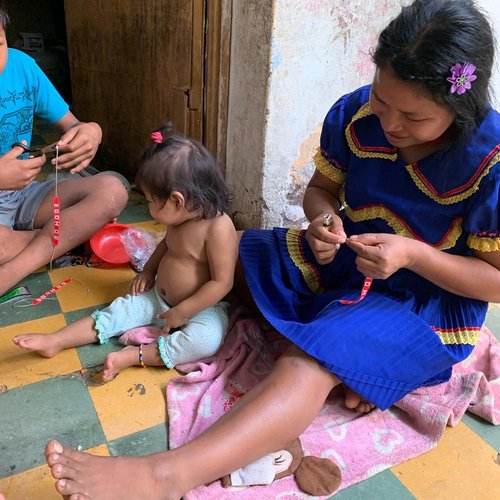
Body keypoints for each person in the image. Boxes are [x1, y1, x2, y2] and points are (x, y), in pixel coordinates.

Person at [42, 1, 500, 498]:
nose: (390, 123)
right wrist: (324, 221)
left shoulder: (490, 162)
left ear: (460, 108)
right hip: (343, 261)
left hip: (420, 302)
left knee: (310, 358)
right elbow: (320, 192)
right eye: (383, 101)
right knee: (231, 251)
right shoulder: (357, 114)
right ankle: (360, 369)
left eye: (413, 116)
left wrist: (413, 256)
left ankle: (163, 476)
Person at [13, 124, 238, 381]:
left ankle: (133, 356)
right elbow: (167, 246)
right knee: (117, 312)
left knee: (207, 340)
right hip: (157, 300)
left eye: (152, 202)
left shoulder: (218, 228)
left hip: (201, 309)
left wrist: (184, 310)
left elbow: (222, 282)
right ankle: (57, 340)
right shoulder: (180, 218)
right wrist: (149, 271)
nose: (149, 208)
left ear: (178, 200)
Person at [0, 6, 128, 296]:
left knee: (113, 190)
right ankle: (69, 238)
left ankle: (12, 269)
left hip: (24, 196)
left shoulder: (22, 67)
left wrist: (92, 131)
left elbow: (73, 125)